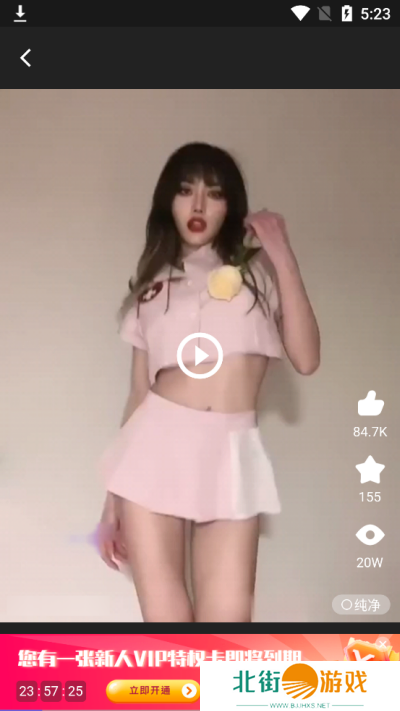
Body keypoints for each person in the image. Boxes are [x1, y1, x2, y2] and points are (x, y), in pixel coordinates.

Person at [96, 141, 320, 622]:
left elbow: (306, 359)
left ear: (229, 206)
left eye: (213, 193)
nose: (198, 205)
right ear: (168, 202)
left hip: (231, 450)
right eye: (185, 191)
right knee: (170, 634)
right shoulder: (151, 288)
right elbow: (138, 395)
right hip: (153, 449)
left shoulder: (257, 273)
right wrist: (111, 501)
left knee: (226, 634)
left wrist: (281, 252)